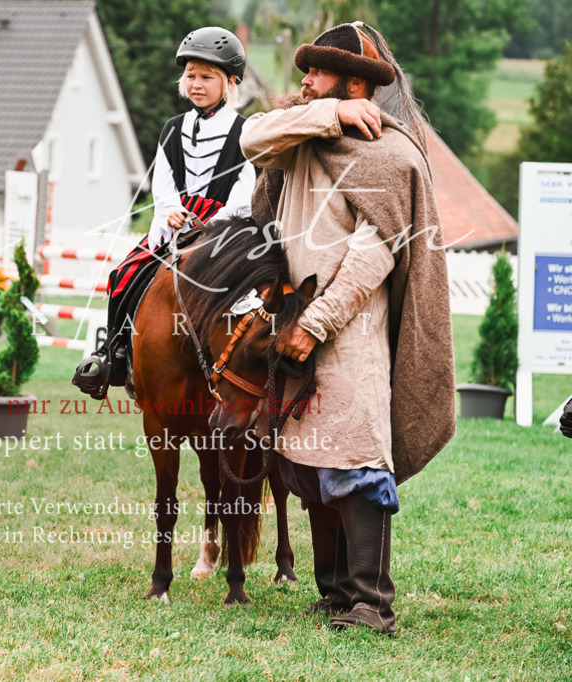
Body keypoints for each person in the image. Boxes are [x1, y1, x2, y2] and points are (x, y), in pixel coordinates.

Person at [239, 22, 456, 634]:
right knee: (310, 465)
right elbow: (251, 136)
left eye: (319, 72)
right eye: (306, 71)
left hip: (352, 333)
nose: (306, 80)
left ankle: (370, 602)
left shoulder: (390, 154)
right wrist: (328, 113)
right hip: (295, 324)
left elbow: (375, 254)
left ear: (357, 84)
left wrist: (318, 321)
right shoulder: (303, 135)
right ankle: (334, 593)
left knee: (357, 464)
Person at [73, 26, 256, 399]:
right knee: (123, 275)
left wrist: (213, 224)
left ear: (230, 82)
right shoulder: (172, 129)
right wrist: (170, 209)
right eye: (191, 76)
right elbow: (163, 182)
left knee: (260, 290)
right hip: (176, 224)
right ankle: (115, 353)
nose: (197, 84)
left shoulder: (245, 132)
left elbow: (245, 191)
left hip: (224, 228)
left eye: (207, 77)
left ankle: (258, 364)